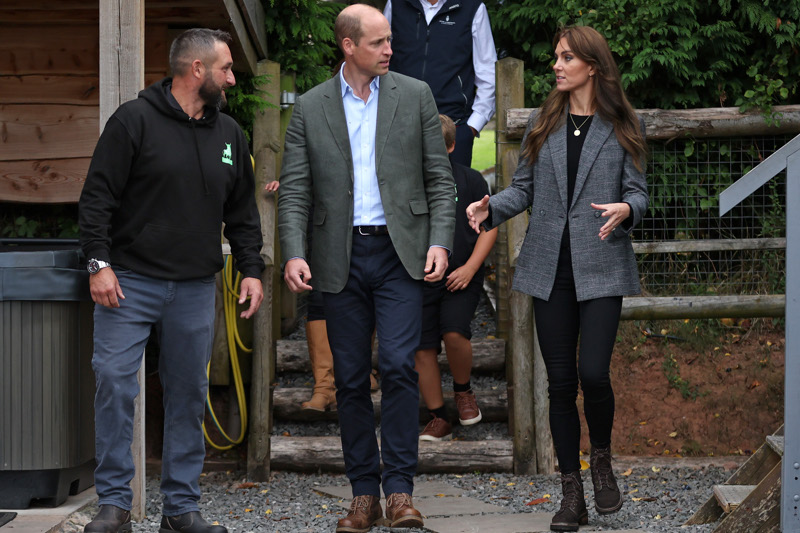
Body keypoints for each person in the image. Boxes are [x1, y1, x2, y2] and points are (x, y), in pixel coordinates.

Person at [78, 28, 264, 533]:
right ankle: (115, 506)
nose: (232, 77)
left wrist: (251, 268)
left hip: (195, 288)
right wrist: (98, 263)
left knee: (187, 392)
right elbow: (97, 199)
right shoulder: (133, 121)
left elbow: (243, 212)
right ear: (196, 70)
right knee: (115, 383)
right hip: (128, 283)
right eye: (225, 68)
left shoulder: (230, 134)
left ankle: (181, 510)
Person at [277, 5, 455, 531]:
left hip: (402, 254)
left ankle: (399, 491)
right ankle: (363, 495)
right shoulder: (310, 107)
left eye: (389, 41)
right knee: (350, 379)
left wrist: (441, 241)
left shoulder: (415, 95)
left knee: (400, 365)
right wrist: (293, 251)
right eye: (378, 42)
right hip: (339, 258)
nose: (389, 50)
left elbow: (439, 181)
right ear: (348, 46)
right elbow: (295, 193)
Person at [466, 25, 648, 532]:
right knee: (561, 385)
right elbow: (521, 189)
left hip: (604, 266)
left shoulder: (621, 123)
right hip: (549, 270)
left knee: (593, 373)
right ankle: (572, 493)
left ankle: (603, 461)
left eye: (566, 57)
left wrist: (627, 208)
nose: (557, 65)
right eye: (555, 57)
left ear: (592, 65)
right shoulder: (545, 122)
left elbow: (640, 193)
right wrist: (490, 206)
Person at [417, 114, 497, 441]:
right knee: (420, 348)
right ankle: (438, 416)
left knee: (453, 333)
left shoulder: (472, 181)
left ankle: (463, 392)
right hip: (419, 279)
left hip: (461, 276)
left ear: (451, 146)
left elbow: (490, 228)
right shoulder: (407, 183)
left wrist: (470, 268)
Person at [384, 0, 497, 167]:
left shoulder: (472, 8)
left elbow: (488, 71)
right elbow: (380, 59)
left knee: (450, 192)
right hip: (398, 126)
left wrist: (471, 128)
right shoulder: (396, 4)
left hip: (454, 127)